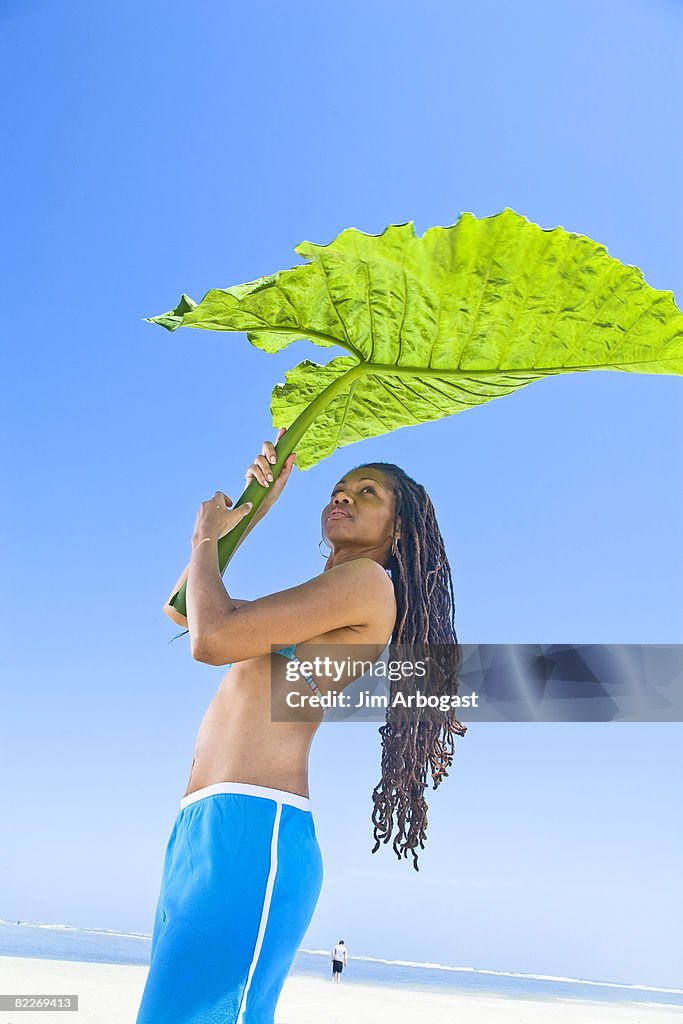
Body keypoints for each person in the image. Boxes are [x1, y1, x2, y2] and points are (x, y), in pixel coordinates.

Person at [135, 427, 466, 1023]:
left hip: (254, 828)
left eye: (369, 492)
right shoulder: (328, 589)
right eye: (340, 488)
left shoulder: (369, 583)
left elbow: (210, 638)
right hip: (202, 826)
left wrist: (206, 533)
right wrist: (250, 511)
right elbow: (185, 607)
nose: (345, 495)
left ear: (399, 531)